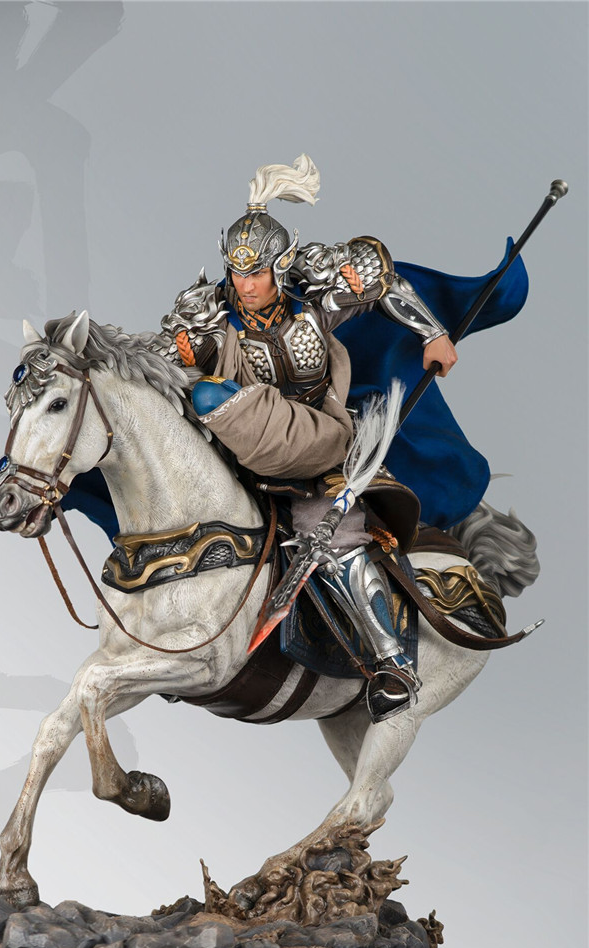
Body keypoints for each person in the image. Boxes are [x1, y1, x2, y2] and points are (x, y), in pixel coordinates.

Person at [156, 155, 459, 723]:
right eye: (237, 273)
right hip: (246, 459)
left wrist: (432, 332)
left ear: (281, 266)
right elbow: (157, 363)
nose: (245, 285)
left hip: (321, 447)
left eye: (256, 274)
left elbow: (382, 280)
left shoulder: (316, 303)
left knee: (334, 537)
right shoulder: (211, 318)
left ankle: (392, 663)